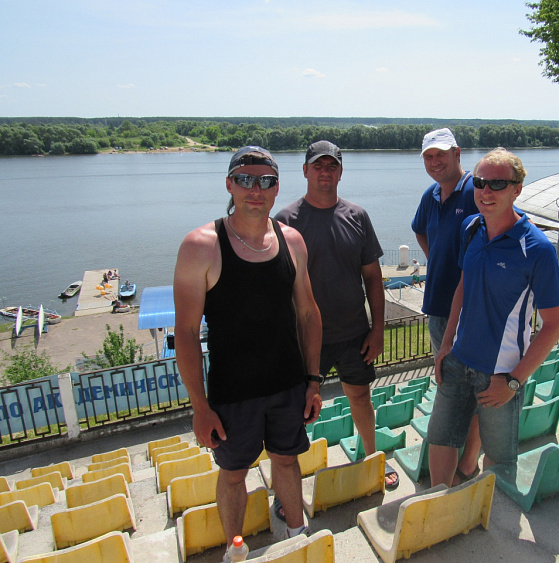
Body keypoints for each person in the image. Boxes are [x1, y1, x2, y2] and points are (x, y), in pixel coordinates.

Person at [173, 146, 323, 554]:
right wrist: (200, 407)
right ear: (229, 185)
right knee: (234, 473)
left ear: (276, 188)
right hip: (232, 394)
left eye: (266, 181)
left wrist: (313, 381)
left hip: (288, 385)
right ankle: (234, 548)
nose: (255, 190)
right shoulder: (201, 246)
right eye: (245, 180)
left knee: (287, 460)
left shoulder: (292, 241)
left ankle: (297, 534)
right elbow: (185, 332)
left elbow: (308, 314)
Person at [428, 148, 559, 488]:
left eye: (498, 184)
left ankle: (491, 514)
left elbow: (554, 325)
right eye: (480, 183)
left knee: (499, 458)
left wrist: (514, 381)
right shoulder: (471, 228)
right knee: (440, 437)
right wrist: (446, 344)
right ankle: (437, 505)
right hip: (458, 360)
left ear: (517, 189)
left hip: (500, 373)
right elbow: (463, 285)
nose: (486, 192)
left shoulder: (537, 249)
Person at [275, 140, 399, 493]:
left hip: (354, 335)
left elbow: (372, 277)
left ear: (341, 172)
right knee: (296, 411)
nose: (325, 172)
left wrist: (378, 330)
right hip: (304, 340)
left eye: (332, 166)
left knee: (360, 398)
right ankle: (288, 483)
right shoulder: (284, 221)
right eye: (318, 165)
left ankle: (373, 458)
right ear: (305, 171)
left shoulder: (357, 216)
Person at [411, 128, 481, 485]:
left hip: (471, 311)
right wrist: (437, 259)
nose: (435, 162)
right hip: (438, 308)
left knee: (470, 390)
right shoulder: (431, 195)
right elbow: (420, 230)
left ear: (457, 153)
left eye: (441, 154)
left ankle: (466, 464)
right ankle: (461, 464)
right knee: (451, 384)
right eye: (428, 157)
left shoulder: (476, 193)